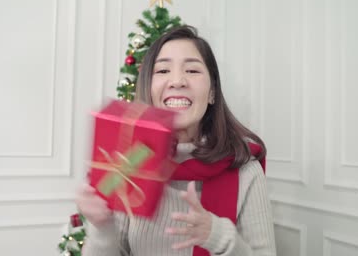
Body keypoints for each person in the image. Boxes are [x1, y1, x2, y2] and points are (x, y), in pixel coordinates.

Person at [76, 25, 276, 256]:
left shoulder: (245, 170)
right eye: (162, 71)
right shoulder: (128, 164)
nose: (177, 81)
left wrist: (216, 235)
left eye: (192, 71)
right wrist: (102, 228)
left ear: (212, 92)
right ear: (149, 90)